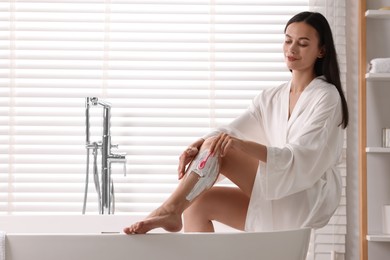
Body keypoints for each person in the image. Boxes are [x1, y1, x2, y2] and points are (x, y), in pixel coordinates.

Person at [123, 11, 349, 234]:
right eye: (288, 40)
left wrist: (238, 145)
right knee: (197, 205)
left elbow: (302, 157)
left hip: (302, 193)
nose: (291, 49)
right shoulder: (271, 97)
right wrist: (199, 143)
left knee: (223, 148)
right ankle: (174, 211)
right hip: (276, 191)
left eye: (302, 43)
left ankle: (169, 208)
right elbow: (233, 129)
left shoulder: (326, 96)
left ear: (321, 51)